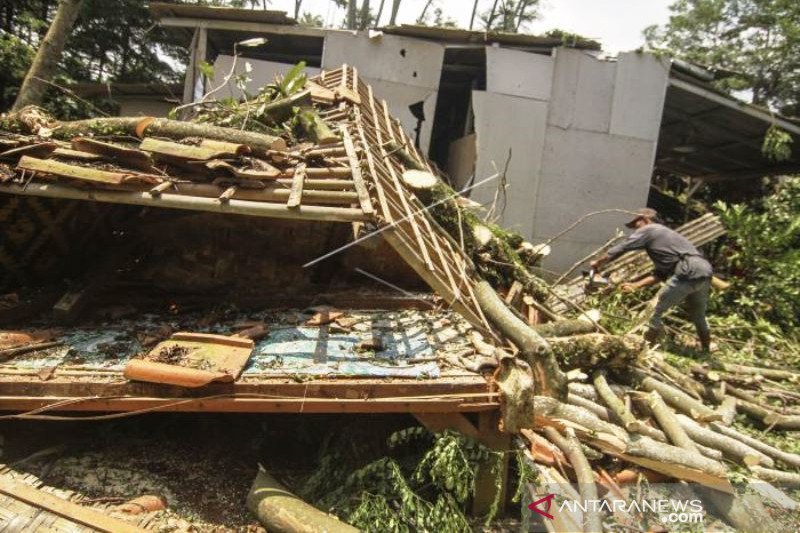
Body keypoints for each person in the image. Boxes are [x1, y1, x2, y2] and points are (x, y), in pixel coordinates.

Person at [590, 208, 713, 352]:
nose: (636, 231)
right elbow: (659, 275)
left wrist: (599, 262)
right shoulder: (665, 240)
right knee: (698, 315)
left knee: (653, 311)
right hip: (704, 271)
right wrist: (635, 285)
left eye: (636, 226)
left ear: (645, 220)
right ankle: (706, 350)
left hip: (688, 270)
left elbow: (623, 246)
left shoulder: (650, 229)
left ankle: (645, 350)